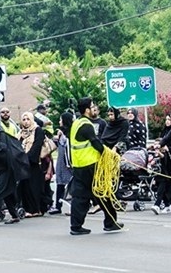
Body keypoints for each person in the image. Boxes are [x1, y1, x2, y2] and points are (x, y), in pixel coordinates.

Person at [69, 97, 122, 235]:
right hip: (91, 165)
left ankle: (76, 226)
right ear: (87, 110)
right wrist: (111, 155)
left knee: (80, 197)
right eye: (92, 107)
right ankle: (111, 223)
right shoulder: (87, 125)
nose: (94, 109)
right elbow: (96, 143)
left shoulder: (76, 123)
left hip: (79, 165)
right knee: (103, 193)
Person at [0, 118, 29, 226]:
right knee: (7, 193)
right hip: (4, 169)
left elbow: (2, 153)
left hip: (5, 170)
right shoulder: (1, 136)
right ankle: (14, 215)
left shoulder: (1, 137)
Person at [49, 112, 73, 215]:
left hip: (68, 162)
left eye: (61, 120)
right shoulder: (61, 133)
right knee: (60, 183)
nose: (59, 122)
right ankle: (58, 206)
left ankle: (73, 207)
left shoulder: (70, 133)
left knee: (71, 185)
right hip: (62, 162)